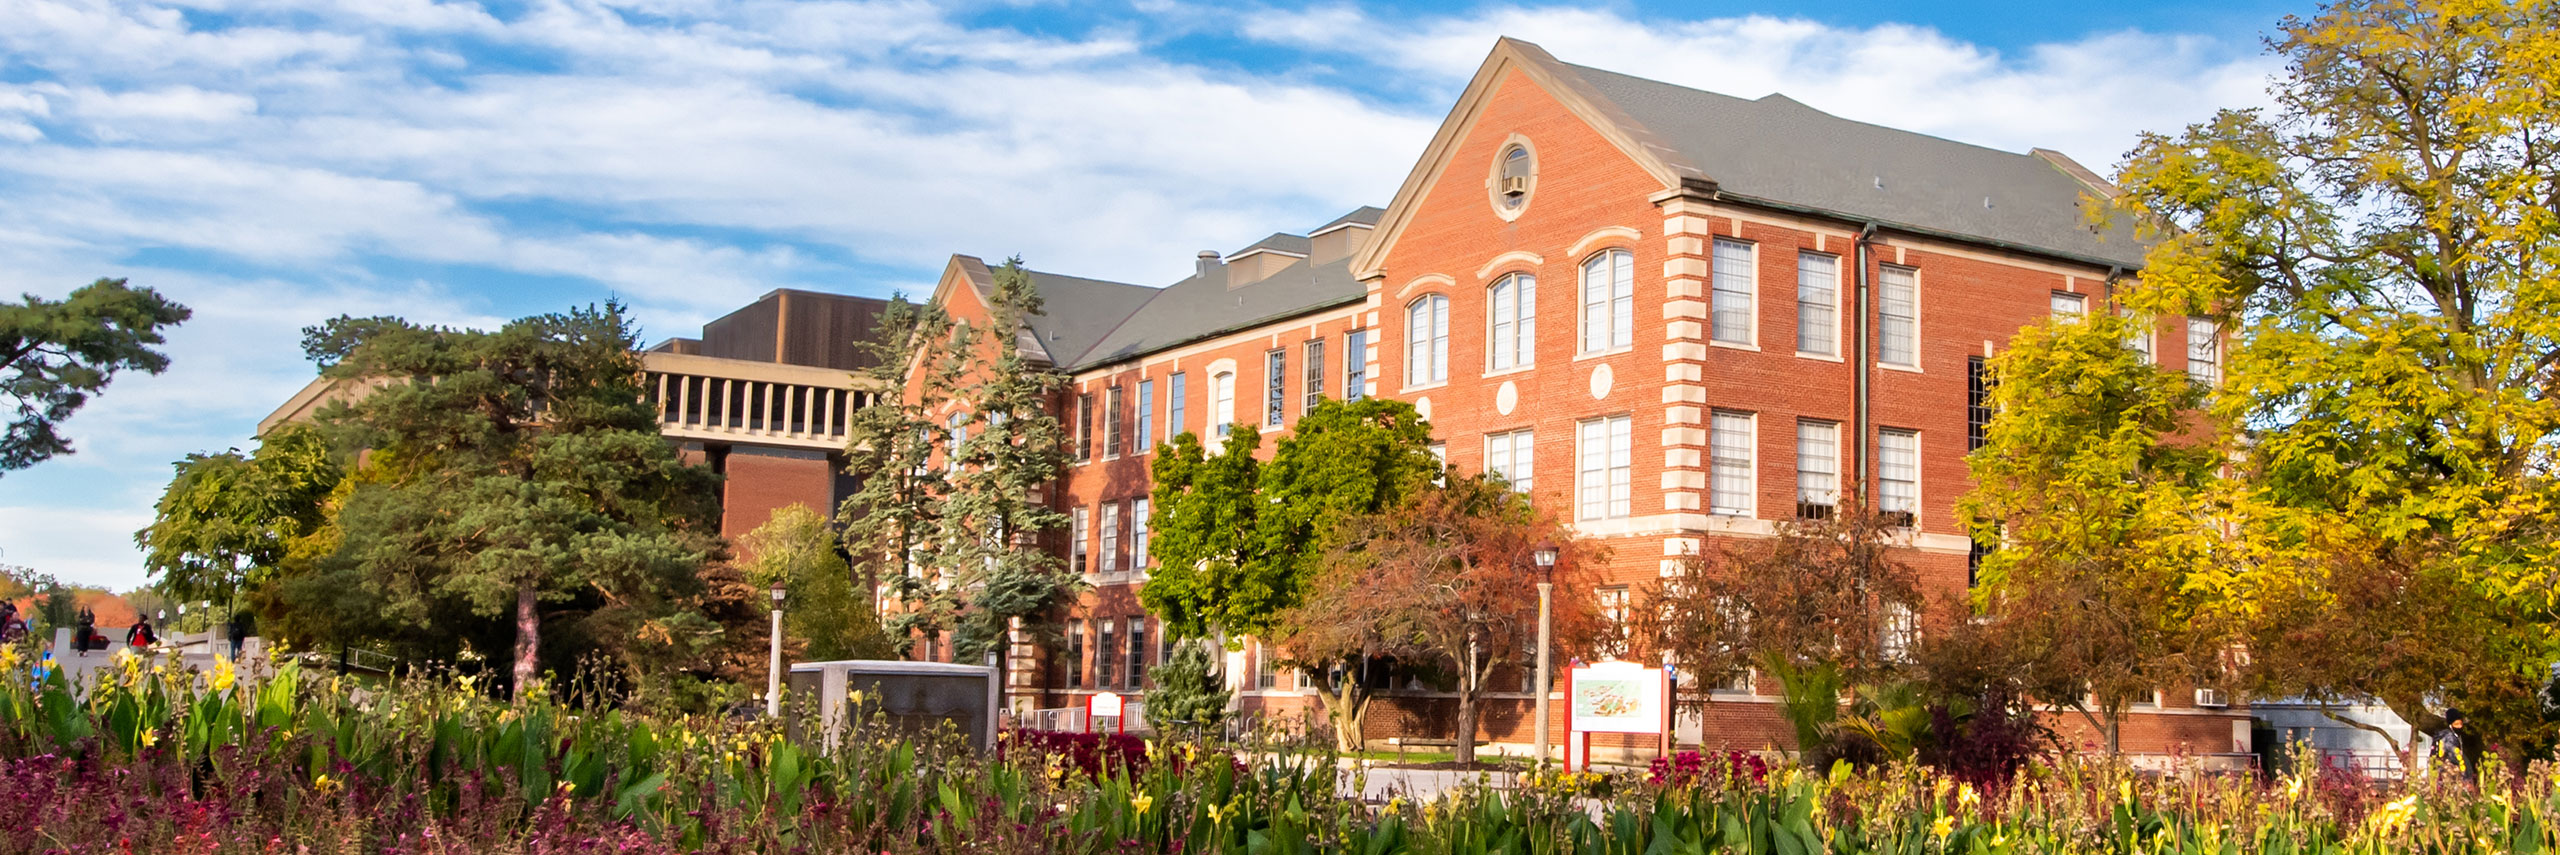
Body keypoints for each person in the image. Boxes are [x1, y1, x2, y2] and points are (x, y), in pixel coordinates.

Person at [2432, 708, 2478, 783]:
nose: (2459, 726)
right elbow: (2454, 755)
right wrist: (2465, 773)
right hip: (2450, 771)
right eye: (2456, 724)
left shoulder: (2456, 736)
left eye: (2460, 724)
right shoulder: (2449, 737)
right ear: (2450, 725)